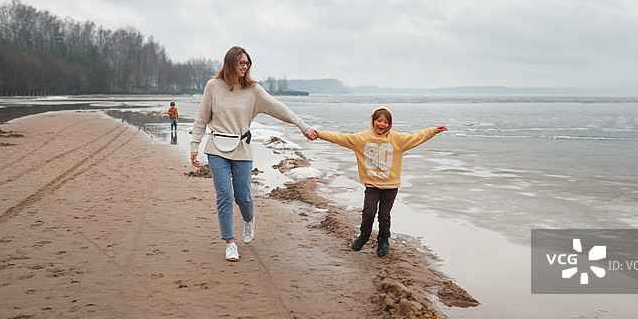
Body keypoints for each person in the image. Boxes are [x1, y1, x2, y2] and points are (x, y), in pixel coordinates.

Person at [190, 46, 318, 262]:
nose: (245, 67)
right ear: (231, 63)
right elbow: (201, 117)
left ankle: (249, 221)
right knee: (224, 197)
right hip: (216, 148)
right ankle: (230, 243)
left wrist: (302, 126)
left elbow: (280, 109)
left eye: (248, 63)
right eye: (242, 63)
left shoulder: (253, 90)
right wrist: (194, 144)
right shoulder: (213, 86)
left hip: (242, 148)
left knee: (243, 197)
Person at [316, 107, 446, 257]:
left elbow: (417, 137)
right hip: (372, 185)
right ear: (373, 121)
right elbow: (339, 137)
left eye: (386, 122)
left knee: (384, 215)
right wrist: (319, 134)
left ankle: (383, 240)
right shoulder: (361, 139)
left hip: (391, 186)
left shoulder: (397, 139)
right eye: (379, 120)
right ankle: (364, 235)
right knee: (368, 212)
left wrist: (433, 131)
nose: (382, 124)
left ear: (390, 124)